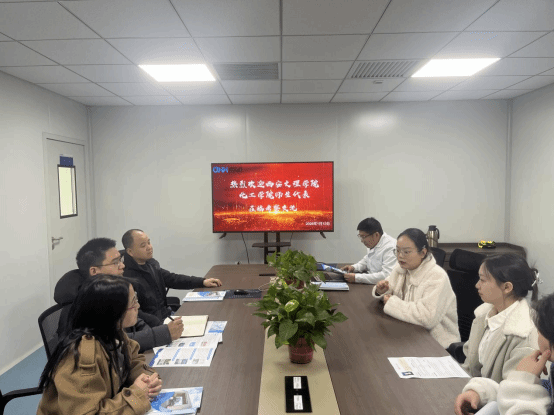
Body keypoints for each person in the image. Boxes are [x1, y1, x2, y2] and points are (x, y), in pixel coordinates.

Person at [38, 275, 162, 414]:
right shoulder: (82, 356)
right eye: (133, 302)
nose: (138, 306)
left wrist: (147, 379)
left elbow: (132, 360)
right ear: (113, 312)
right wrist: (136, 395)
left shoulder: (113, 333)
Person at [54, 238, 184, 352]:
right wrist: (162, 334)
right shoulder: (83, 305)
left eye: (120, 260)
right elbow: (109, 343)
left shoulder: (111, 291)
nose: (122, 265)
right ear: (94, 271)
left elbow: (137, 319)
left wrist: (158, 329)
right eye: (115, 262)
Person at [453, 255, 540, 415]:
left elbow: (512, 392)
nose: (477, 285)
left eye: (483, 280)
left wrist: (477, 392)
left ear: (507, 287)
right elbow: (469, 365)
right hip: (474, 397)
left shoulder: (525, 333)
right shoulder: (484, 316)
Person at [372, 228, 460, 349]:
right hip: (409, 333)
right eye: (397, 250)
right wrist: (381, 291)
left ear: (423, 253)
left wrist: (391, 302)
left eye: (406, 252)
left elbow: (427, 318)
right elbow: (389, 288)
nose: (400, 256)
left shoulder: (437, 276)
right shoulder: (401, 268)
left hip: (436, 344)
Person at [122, 229, 222, 321]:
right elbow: (137, 315)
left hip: (167, 316)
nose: (149, 247)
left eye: (149, 242)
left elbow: (173, 279)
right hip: (155, 325)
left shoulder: (151, 264)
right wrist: (164, 328)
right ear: (130, 251)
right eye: (143, 245)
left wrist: (202, 281)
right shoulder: (127, 277)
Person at [496, 292, 554, 415]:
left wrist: (522, 379)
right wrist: (482, 391)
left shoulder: (521, 333)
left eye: (540, 331)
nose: (478, 285)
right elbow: (548, 390)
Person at [341, 217, 397, 284]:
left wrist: (357, 278)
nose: (362, 240)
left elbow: (386, 276)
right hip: (373, 282)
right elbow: (367, 260)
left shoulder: (390, 247)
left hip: (384, 286)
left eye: (364, 237)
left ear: (376, 235)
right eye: (360, 236)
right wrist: (354, 267)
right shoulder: (373, 243)